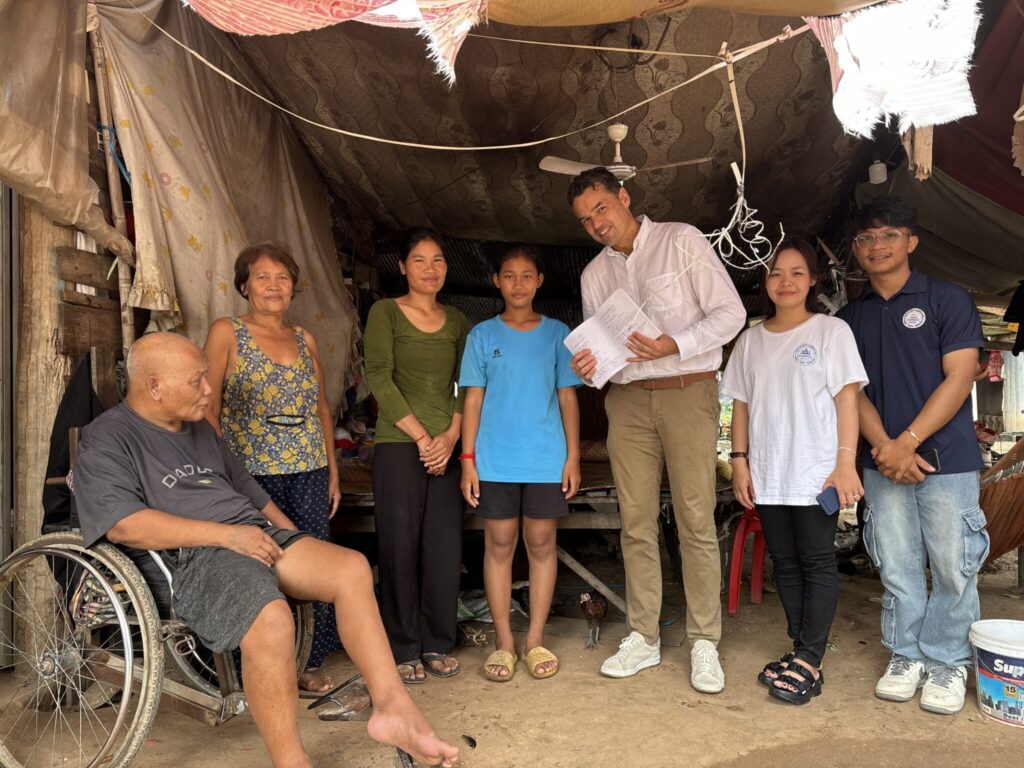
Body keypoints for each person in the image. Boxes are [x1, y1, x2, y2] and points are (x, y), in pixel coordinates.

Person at [73, 333, 459, 768]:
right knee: (272, 619)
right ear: (154, 386)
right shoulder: (108, 438)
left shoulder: (199, 427)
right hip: (194, 554)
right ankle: (291, 762)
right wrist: (226, 536)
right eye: (197, 381)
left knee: (350, 568)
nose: (209, 390)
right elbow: (125, 524)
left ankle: (394, 709)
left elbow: (246, 488)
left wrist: (293, 536)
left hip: (252, 534)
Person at [566, 168, 746, 692]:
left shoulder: (680, 240)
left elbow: (731, 314)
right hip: (627, 402)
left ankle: (704, 640)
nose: (596, 223)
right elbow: (603, 352)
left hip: (688, 390)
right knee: (636, 521)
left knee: (694, 518)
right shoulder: (593, 275)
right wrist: (588, 366)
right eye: (585, 219)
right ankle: (643, 635)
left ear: (624, 197)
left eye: (601, 208)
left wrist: (676, 344)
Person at [838, 195, 989, 715]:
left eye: (888, 235)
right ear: (857, 249)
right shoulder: (848, 318)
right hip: (883, 462)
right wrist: (886, 448)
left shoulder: (948, 299)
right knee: (896, 564)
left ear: (911, 242)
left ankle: (948, 661)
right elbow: (852, 392)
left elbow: (960, 376)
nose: (876, 245)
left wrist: (906, 442)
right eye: (866, 238)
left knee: (953, 565)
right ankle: (906, 655)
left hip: (947, 459)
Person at [722, 240, 867, 705]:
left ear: (812, 280)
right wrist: (739, 461)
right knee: (784, 562)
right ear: (765, 282)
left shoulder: (831, 332)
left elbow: (848, 401)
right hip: (768, 471)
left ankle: (809, 657)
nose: (786, 282)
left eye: (797, 272)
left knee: (816, 560)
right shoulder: (750, 340)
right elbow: (741, 406)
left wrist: (845, 463)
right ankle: (800, 647)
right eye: (776, 273)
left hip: (815, 470)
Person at [203, 242, 340, 693]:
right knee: (255, 565)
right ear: (244, 286)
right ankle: (255, 666)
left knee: (312, 561)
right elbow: (207, 407)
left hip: (308, 469)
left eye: (283, 278)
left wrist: (333, 470)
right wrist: (221, 471)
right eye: (263, 277)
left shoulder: (305, 339)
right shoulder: (227, 332)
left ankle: (308, 661)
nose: (274, 286)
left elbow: (322, 408)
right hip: (250, 474)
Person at [459, 245, 581, 682]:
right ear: (496, 281)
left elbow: (568, 398)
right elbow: (473, 400)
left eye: (527, 275)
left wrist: (573, 456)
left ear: (539, 281)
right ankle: (504, 642)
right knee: (499, 545)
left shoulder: (558, 334)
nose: (518, 284)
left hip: (545, 459)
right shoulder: (481, 336)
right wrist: (468, 460)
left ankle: (535, 640)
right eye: (509, 275)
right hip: (495, 460)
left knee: (542, 544)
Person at [363, 227, 470, 683]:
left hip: (446, 446)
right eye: (420, 260)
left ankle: (437, 641)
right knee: (399, 545)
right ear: (403, 267)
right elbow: (379, 377)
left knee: (443, 546)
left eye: (438, 260)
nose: (430, 269)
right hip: (399, 443)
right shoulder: (385, 312)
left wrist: (451, 436)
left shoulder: (459, 320)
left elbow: (467, 384)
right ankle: (403, 645)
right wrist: (424, 438)